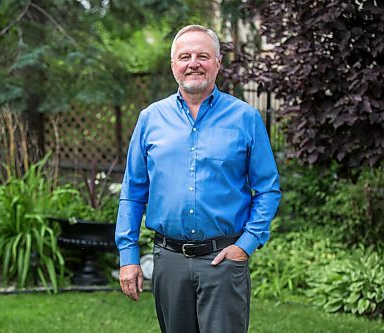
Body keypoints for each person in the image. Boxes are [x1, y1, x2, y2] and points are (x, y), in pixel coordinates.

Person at [115, 24, 281, 333]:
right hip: (169, 261)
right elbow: (133, 192)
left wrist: (245, 245)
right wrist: (128, 256)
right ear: (173, 64)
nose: (194, 63)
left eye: (203, 55)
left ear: (218, 62)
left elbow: (268, 190)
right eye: (185, 56)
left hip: (224, 260)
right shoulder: (150, 118)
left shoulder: (246, 118)